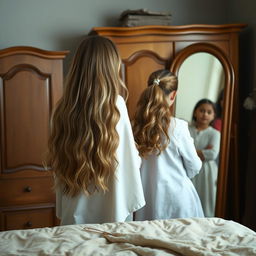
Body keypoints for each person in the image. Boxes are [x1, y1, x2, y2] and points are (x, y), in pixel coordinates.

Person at [45, 35, 145, 225]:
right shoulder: (116, 105)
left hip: (73, 211)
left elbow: (57, 162)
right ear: (110, 67)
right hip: (111, 211)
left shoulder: (62, 108)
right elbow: (131, 161)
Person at [132, 69, 204, 221]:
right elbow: (195, 166)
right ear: (173, 95)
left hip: (146, 200)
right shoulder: (178, 127)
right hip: (177, 200)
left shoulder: (134, 126)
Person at [189, 99, 221, 217]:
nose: (205, 114)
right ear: (195, 112)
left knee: (206, 200)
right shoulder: (187, 129)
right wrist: (202, 151)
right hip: (189, 168)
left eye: (209, 112)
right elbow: (182, 151)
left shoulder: (215, 134)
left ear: (213, 116)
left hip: (207, 171)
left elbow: (212, 154)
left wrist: (191, 151)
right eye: (202, 110)